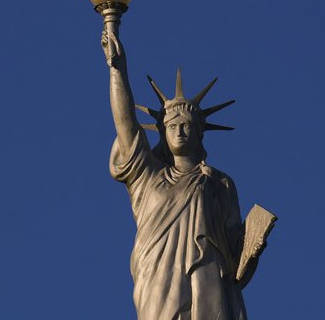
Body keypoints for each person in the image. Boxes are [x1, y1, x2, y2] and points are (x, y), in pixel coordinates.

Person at [102, 29, 259, 320]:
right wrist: (117, 70)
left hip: (208, 277)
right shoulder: (147, 177)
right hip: (158, 277)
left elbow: (236, 254)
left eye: (187, 125)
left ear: (200, 132)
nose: (180, 131)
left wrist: (255, 246)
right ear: (163, 132)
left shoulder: (218, 182)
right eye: (173, 125)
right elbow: (126, 125)